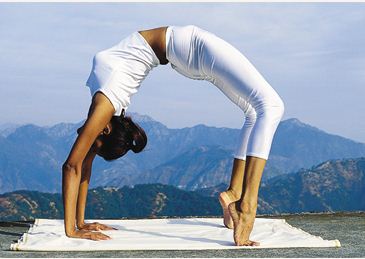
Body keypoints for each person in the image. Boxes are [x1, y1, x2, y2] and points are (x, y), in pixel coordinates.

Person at [62, 25, 284, 246]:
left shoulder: (103, 106)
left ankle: (236, 194)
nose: (88, 140)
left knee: (257, 110)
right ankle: (246, 205)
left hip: (184, 52)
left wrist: (75, 227)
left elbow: (76, 165)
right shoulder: (104, 106)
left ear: (104, 129)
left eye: (94, 142)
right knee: (271, 106)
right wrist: (75, 227)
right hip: (189, 48)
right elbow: (77, 165)